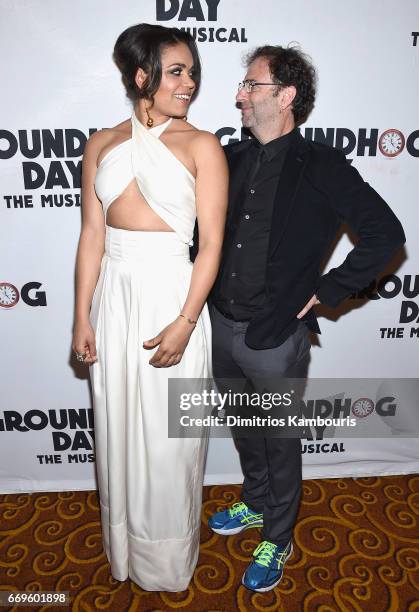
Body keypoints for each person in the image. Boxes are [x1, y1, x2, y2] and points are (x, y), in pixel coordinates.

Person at [205, 45, 405, 592]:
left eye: (251, 85)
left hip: (275, 336)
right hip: (219, 326)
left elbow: (387, 236)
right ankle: (253, 501)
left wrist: (327, 290)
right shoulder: (231, 157)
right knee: (247, 430)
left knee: (278, 438)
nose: (239, 96)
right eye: (244, 86)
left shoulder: (321, 164)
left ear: (285, 96)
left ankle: (279, 532)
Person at [72, 23, 228, 592]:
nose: (190, 83)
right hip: (116, 295)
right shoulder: (102, 144)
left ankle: (166, 561)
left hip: (172, 295)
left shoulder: (201, 145)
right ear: (143, 76)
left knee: (169, 442)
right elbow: (92, 235)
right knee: (118, 428)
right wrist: (82, 315)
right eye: (178, 71)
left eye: (192, 72)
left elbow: (209, 243)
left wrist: (186, 322)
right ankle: (126, 551)